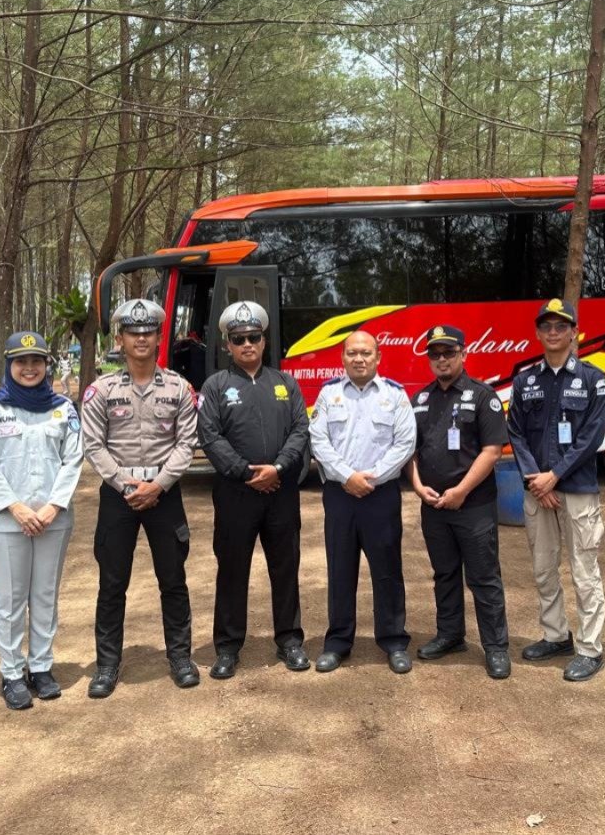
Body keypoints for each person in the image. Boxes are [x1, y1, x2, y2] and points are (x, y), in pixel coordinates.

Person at [81, 299, 201, 698]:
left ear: (159, 337)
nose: (141, 338)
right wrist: (125, 485)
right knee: (112, 583)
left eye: (148, 331)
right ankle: (107, 665)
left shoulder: (179, 388)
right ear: (120, 339)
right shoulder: (101, 390)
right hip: (120, 496)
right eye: (133, 332)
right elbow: (93, 445)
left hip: (164, 493)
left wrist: (159, 484)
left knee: (173, 579)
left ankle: (180, 658)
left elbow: (186, 443)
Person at [0, 331, 83, 709]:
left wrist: (53, 506)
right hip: (7, 522)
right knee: (11, 599)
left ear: (47, 366)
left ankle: (41, 667)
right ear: (9, 365)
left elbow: (73, 459)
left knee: (45, 596)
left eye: (37, 361)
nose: (30, 368)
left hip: (53, 519)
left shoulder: (63, 409)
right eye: (22, 361)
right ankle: (12, 673)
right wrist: (16, 507)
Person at [198, 300, 311, 679]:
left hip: (281, 492)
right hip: (236, 494)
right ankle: (228, 647)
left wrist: (277, 468)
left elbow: (300, 430)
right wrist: (246, 472)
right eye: (238, 339)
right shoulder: (216, 386)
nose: (247, 344)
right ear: (227, 345)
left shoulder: (285, 383)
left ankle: (290, 640)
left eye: (253, 337)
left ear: (264, 341)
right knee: (232, 570)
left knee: (286, 567)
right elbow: (209, 436)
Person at [506, 298, 605, 682]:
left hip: (577, 489)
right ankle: (556, 635)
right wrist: (536, 480)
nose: (553, 332)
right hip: (538, 491)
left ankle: (590, 648)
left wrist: (555, 476)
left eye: (561, 326)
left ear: (574, 333)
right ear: (538, 333)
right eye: (546, 326)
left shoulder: (593, 380)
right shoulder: (524, 381)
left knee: (584, 570)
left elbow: (592, 437)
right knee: (543, 568)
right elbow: (515, 433)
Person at [405, 325, 513, 680]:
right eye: (435, 354)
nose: (441, 360)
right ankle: (450, 635)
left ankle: (496, 647)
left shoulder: (483, 396)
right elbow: (409, 451)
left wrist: (462, 491)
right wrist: (418, 487)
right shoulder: (420, 400)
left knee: (484, 577)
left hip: (473, 505)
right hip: (434, 506)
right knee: (445, 574)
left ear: (463, 354)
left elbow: (492, 450)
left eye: (448, 353)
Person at [308, 331, 417, 673]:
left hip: (380, 495)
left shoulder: (395, 395)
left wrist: (371, 477)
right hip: (339, 495)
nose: (359, 359)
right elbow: (318, 441)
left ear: (378, 357)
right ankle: (338, 642)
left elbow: (405, 443)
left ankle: (394, 641)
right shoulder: (328, 394)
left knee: (387, 570)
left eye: (366, 353)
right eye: (352, 353)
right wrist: (347, 476)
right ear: (342, 357)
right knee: (340, 569)